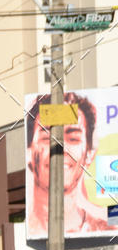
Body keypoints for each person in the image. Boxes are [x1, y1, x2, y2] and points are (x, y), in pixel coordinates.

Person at [26, 91, 118, 237]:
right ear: (29, 150)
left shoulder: (106, 231)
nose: (60, 148)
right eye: (48, 138)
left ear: (89, 155)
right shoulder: (21, 234)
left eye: (73, 138)